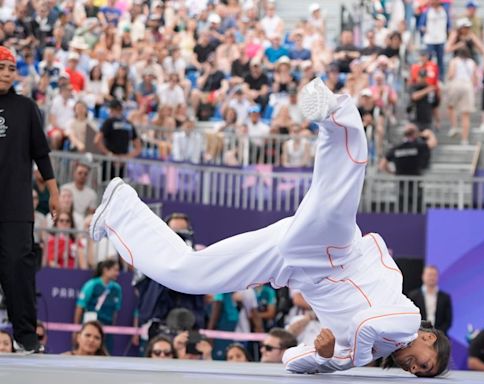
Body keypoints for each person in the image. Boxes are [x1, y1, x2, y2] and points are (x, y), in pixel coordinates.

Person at [90, 78, 451, 377]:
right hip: (333, 253)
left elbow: (291, 360)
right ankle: (336, 111)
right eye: (426, 364)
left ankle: (119, 209)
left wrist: (323, 355)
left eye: (421, 374)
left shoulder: (357, 356)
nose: (416, 369)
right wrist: (344, 354)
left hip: (288, 265)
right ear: (430, 339)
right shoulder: (408, 320)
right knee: (337, 188)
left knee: (189, 275)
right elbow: (365, 326)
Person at [0, 46, 59, 353]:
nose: (7, 73)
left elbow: (41, 153)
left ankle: (26, 337)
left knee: (17, 270)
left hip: (15, 205)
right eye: (1, 67)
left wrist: (55, 192)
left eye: (11, 68)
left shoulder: (25, 108)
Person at [407, 266, 453, 335]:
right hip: (418, 335)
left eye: (434, 275)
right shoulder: (413, 296)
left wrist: (437, 334)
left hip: (439, 336)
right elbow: (410, 318)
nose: (432, 277)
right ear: (423, 276)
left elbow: (448, 321)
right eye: (429, 275)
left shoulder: (445, 297)